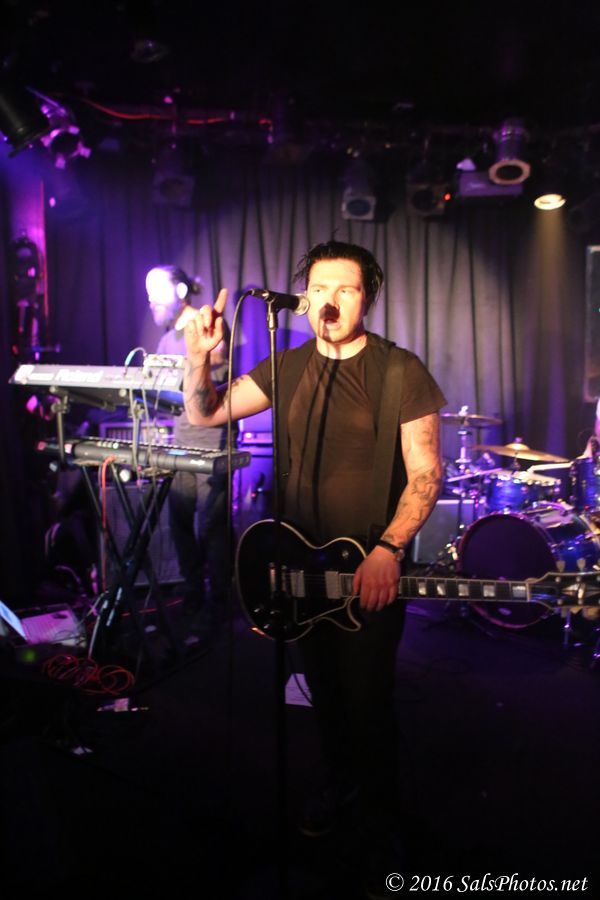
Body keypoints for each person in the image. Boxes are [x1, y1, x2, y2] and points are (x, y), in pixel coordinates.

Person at [182, 241, 445, 897]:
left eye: (345, 289)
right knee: (322, 692)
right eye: (319, 288)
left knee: (368, 699)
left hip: (369, 565)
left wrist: (389, 549)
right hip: (297, 565)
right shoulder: (288, 364)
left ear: (366, 298)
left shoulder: (399, 371)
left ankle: (381, 822)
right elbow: (205, 413)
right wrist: (198, 359)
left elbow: (426, 473)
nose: (330, 300)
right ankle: (338, 785)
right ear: (303, 298)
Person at [146, 265, 230, 637]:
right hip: (181, 441)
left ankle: (219, 604)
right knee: (180, 522)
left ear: (180, 291)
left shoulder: (206, 325)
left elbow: (217, 369)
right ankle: (193, 594)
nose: (150, 301)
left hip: (211, 442)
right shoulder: (167, 339)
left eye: (156, 292)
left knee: (211, 526)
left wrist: (202, 357)